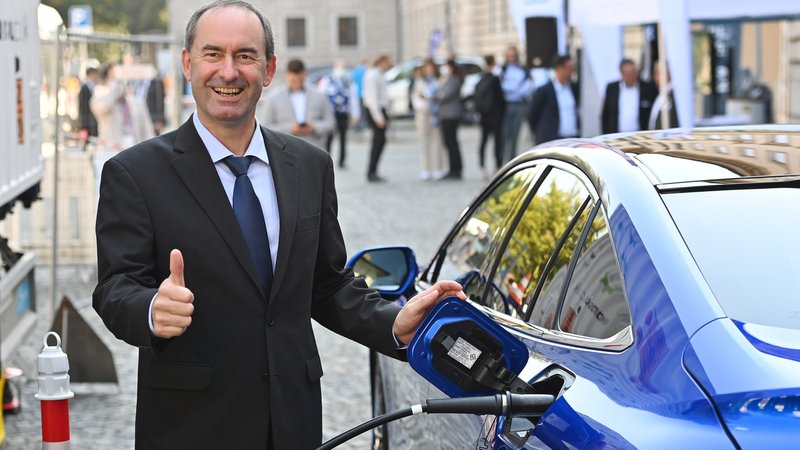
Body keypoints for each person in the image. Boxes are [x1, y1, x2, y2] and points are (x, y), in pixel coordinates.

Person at [92, 2, 464, 449]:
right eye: (213, 54)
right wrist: (152, 308)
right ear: (188, 64)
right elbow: (114, 288)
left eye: (245, 56)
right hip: (191, 425)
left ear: (268, 69)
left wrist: (394, 323)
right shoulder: (135, 173)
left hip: (291, 420)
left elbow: (326, 284)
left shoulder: (309, 165)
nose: (229, 71)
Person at [260, 58, 334, 149]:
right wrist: (289, 128)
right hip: (286, 150)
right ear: (287, 75)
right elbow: (265, 127)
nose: (296, 83)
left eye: (299, 80)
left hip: (314, 147)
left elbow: (330, 122)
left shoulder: (319, 95)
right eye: (293, 80)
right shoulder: (273, 98)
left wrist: (314, 127)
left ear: (305, 74)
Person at [528, 54, 580, 144]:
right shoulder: (544, 91)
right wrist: (542, 133)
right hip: (552, 140)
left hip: (573, 139)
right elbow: (532, 116)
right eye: (569, 67)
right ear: (560, 68)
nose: (571, 71)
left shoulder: (575, 88)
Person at [317, 59, 360, 168]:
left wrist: (355, 114)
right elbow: (320, 96)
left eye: (343, 67)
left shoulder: (349, 83)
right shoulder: (326, 80)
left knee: (343, 138)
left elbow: (353, 99)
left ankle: (342, 161)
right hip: (330, 114)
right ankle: (325, 160)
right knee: (328, 138)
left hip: (343, 114)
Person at [600, 58, 657, 134]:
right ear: (621, 73)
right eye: (628, 74)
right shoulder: (612, 88)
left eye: (633, 73)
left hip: (640, 135)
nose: (631, 77)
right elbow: (606, 114)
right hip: (616, 135)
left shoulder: (648, 88)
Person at [411, 58, 445, 181]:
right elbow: (415, 97)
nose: (429, 70)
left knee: (437, 142)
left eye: (431, 68)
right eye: (426, 68)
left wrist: (435, 97)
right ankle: (426, 169)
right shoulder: (420, 81)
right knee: (424, 142)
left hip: (435, 114)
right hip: (423, 114)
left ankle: (438, 168)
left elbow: (442, 95)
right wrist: (423, 100)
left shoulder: (439, 81)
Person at [473, 54, 505, 178]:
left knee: (483, 141)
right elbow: (500, 99)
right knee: (497, 142)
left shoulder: (480, 80)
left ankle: (482, 166)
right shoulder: (495, 79)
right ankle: (498, 166)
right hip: (495, 115)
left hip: (484, 116)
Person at [500, 46, 533, 163]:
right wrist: (515, 88)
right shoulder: (503, 69)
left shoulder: (523, 70)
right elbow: (503, 87)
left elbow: (527, 87)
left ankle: (511, 160)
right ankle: (502, 160)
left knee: (515, 135)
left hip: (519, 105)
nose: (511, 58)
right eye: (509, 56)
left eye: (513, 55)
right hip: (506, 105)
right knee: (505, 134)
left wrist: (513, 89)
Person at [363, 54, 393, 182]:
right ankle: (371, 171)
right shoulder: (373, 75)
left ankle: (374, 170)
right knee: (377, 142)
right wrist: (378, 117)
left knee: (380, 142)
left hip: (380, 110)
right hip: (376, 111)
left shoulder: (379, 74)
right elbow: (372, 98)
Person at [437, 59, 464, 180]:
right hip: (445, 115)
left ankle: (456, 169)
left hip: (451, 115)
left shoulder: (454, 80)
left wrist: (436, 95)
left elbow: (445, 95)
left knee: (452, 142)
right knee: (449, 143)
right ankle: (452, 168)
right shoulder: (448, 79)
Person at [648, 60, 679, 130]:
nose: (655, 77)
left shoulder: (674, 96)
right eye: (655, 73)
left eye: (658, 73)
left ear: (668, 73)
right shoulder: (660, 94)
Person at [77, 66, 100, 143]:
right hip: (87, 118)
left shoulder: (94, 86)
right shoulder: (84, 88)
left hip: (93, 118)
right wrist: (83, 122)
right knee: (88, 139)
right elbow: (82, 106)